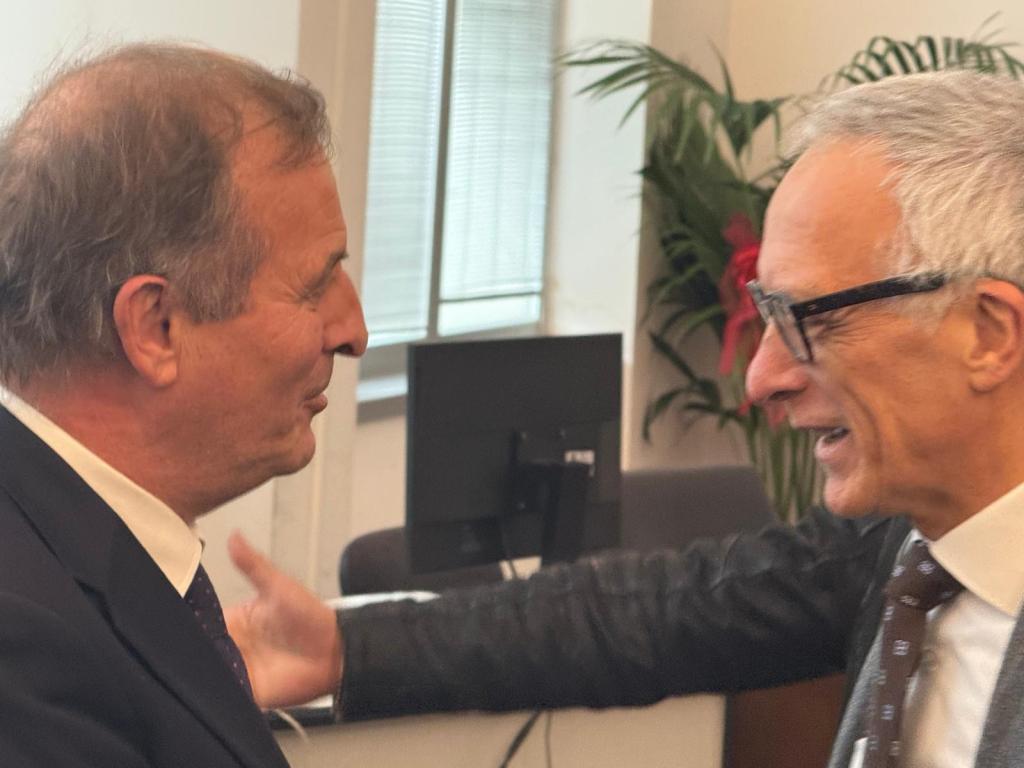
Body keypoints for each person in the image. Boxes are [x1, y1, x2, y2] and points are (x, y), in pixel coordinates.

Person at [229, 69, 1024, 768]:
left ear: (987, 333)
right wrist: (345, 648)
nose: (761, 377)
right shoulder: (903, 548)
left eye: (806, 318)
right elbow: (653, 612)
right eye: (763, 316)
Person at [0, 43, 367, 766]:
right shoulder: (25, 652)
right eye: (313, 287)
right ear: (156, 327)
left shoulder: (78, 553)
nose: (352, 331)